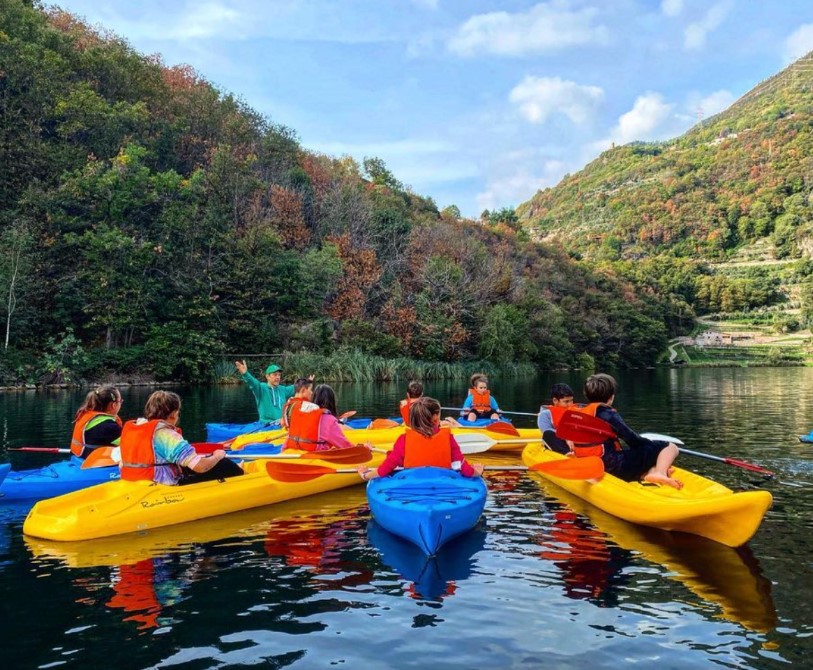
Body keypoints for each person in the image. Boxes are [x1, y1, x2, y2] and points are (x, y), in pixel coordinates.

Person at [574, 373, 682, 489]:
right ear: (611, 397)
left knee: (642, 453)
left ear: (586, 395)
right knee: (670, 447)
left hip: (592, 464)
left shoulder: (580, 413)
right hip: (613, 467)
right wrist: (653, 448)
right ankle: (659, 473)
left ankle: (649, 474)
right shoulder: (607, 414)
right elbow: (633, 440)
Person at [119, 391, 243, 486]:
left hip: (134, 482)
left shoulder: (136, 429)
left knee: (185, 466)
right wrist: (217, 456)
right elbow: (200, 467)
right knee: (224, 464)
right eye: (178, 411)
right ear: (173, 414)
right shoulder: (165, 435)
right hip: (162, 487)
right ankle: (241, 475)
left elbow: (120, 465)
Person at [358, 397, 484, 481]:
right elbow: (466, 470)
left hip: (412, 484)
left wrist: (365, 475)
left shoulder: (404, 439)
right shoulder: (448, 438)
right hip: (441, 483)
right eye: (439, 414)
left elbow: (386, 468)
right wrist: (477, 472)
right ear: (435, 417)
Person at [285, 384, 372, 451]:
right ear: (332, 401)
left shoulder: (302, 413)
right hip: (316, 455)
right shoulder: (328, 420)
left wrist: (283, 451)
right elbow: (344, 445)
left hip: (296, 449)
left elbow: (288, 438)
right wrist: (363, 449)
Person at [70, 385, 124, 459]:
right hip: (95, 463)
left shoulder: (84, 416)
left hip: (80, 458)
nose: (121, 403)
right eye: (120, 401)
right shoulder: (110, 427)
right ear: (113, 405)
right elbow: (130, 445)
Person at [538, 383, 576, 455]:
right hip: (561, 443)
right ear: (555, 400)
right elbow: (546, 431)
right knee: (548, 434)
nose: (570, 404)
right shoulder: (545, 415)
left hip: (575, 441)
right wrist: (566, 437)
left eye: (571, 400)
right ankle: (567, 454)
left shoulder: (576, 410)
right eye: (566, 401)